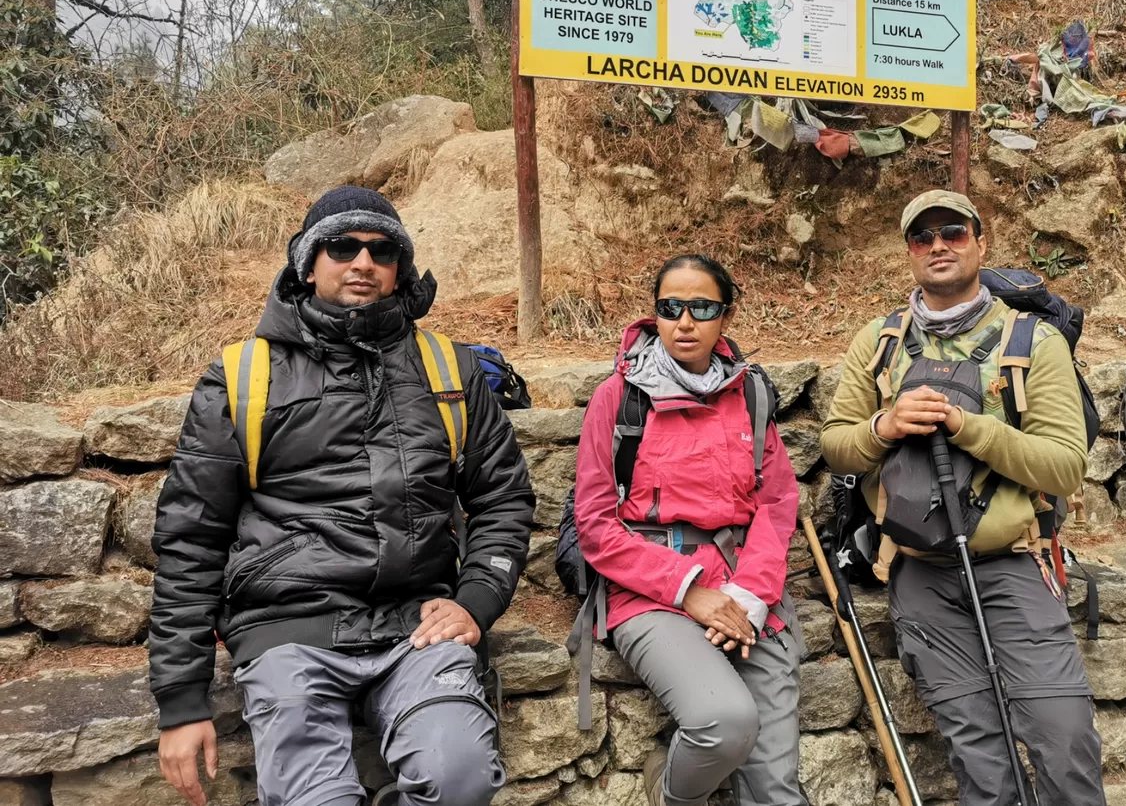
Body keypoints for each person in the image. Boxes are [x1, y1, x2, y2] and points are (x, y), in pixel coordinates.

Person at [150, 185, 534, 806]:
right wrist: (181, 700)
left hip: (417, 628)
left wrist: (477, 598)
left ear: (399, 269)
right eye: (342, 246)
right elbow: (191, 538)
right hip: (286, 631)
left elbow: (503, 497)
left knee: (460, 777)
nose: (363, 262)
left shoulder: (449, 370)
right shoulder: (244, 376)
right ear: (307, 262)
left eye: (383, 250)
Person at [819, 190, 1105, 806]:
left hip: (1011, 563)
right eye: (923, 238)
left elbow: (1064, 468)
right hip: (918, 570)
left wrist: (968, 426)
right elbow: (837, 447)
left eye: (953, 232)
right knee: (979, 753)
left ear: (981, 242)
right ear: (910, 254)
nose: (938, 246)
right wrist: (884, 428)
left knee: (1064, 739)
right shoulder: (879, 342)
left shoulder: (1031, 342)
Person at [573, 255, 806, 806]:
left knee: (777, 789)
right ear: (654, 314)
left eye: (701, 308)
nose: (684, 322)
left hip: (747, 590)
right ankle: (671, 793)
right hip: (650, 590)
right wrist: (690, 591)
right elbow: (596, 523)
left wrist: (749, 595)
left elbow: (776, 502)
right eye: (670, 308)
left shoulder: (749, 396)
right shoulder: (620, 398)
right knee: (723, 721)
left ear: (724, 315)